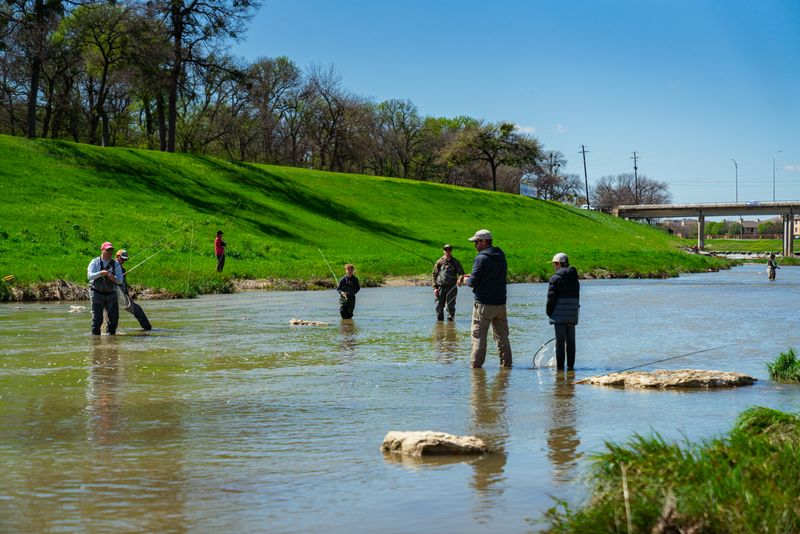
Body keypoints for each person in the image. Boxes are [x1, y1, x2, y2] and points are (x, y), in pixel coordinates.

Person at [457, 229, 512, 368]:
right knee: (502, 337)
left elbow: (473, 283)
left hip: (484, 305)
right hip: (500, 304)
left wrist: (464, 279)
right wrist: (472, 275)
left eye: (476, 242)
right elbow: (488, 275)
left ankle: (476, 370)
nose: (475, 245)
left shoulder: (481, 258)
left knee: (478, 337)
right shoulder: (500, 255)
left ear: (484, 241)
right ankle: (507, 366)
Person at [546, 252, 580, 371]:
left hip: (559, 316)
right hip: (572, 315)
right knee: (571, 342)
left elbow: (551, 299)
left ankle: (560, 371)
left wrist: (549, 313)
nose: (554, 267)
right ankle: (571, 368)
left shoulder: (555, 279)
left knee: (560, 343)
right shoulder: (575, 278)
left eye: (554, 264)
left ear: (558, 264)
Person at [87, 241, 124, 335]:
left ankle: (111, 342)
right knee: (97, 320)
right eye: (107, 250)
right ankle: (96, 342)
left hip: (111, 294)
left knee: (114, 320)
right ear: (102, 250)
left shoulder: (116, 264)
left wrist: (113, 278)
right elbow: (90, 276)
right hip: (96, 293)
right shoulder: (95, 262)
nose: (109, 253)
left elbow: (120, 281)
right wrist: (101, 273)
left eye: (111, 250)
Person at [115, 249, 152, 330]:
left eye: (126, 259)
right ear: (117, 257)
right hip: (113, 295)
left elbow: (124, 284)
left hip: (122, 295)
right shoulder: (111, 266)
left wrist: (128, 297)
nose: (124, 261)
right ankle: (148, 330)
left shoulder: (122, 269)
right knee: (112, 316)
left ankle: (148, 330)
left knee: (138, 310)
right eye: (123, 259)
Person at [432, 244, 465, 321]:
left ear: (451, 251)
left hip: (452, 288)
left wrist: (460, 279)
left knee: (450, 307)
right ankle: (439, 324)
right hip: (440, 288)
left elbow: (461, 274)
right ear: (443, 251)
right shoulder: (439, 262)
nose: (447, 251)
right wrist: (435, 288)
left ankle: (451, 325)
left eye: (449, 249)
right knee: (438, 306)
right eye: (446, 249)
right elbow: (434, 275)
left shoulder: (456, 262)